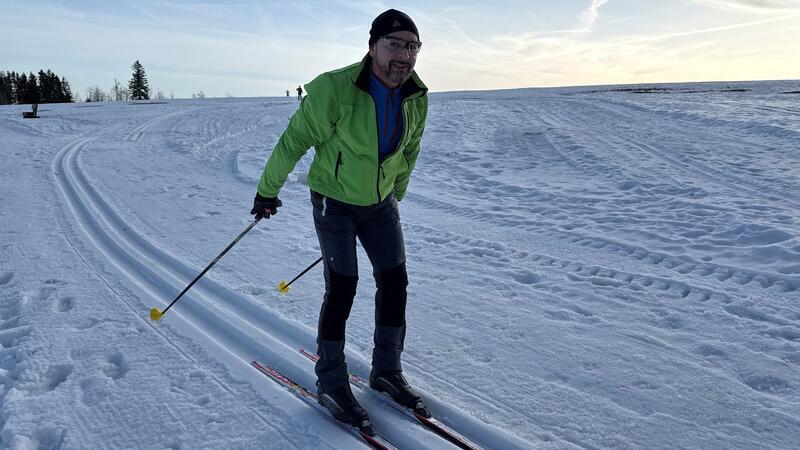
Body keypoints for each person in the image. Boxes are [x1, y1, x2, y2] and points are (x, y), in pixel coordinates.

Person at [250, 9, 428, 434]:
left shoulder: (416, 96)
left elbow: (409, 149)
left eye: (412, 47)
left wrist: (395, 192)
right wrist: (267, 191)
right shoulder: (335, 89)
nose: (404, 56)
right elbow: (293, 141)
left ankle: (386, 370)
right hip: (335, 203)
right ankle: (330, 381)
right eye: (395, 44)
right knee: (343, 285)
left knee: (395, 280)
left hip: (380, 204)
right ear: (372, 47)